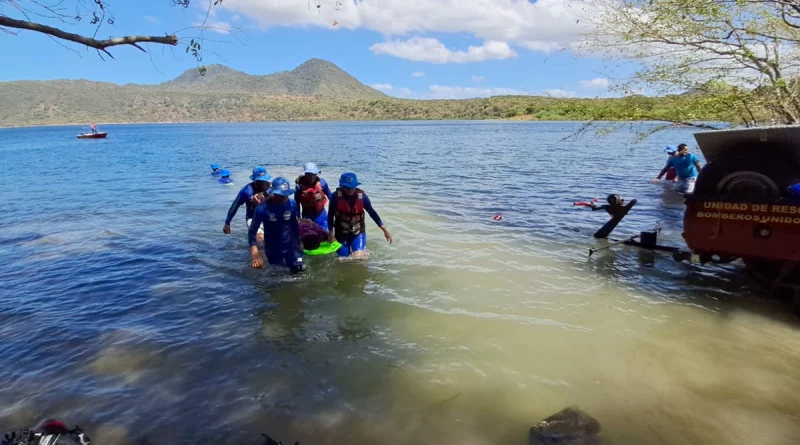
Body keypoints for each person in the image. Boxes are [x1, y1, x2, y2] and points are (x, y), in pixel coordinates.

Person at [328, 172, 392, 258]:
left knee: (359, 257)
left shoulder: (362, 197)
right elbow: (330, 216)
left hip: (358, 231)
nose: (350, 190)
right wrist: (331, 235)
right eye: (347, 187)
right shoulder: (335, 197)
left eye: (352, 187)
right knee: (342, 259)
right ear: (342, 186)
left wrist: (385, 230)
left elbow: (372, 213)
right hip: (341, 233)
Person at [249, 177, 304, 274]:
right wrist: (255, 253)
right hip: (272, 247)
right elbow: (252, 231)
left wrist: (299, 241)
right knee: (278, 274)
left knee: (299, 271)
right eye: (280, 195)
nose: (283, 198)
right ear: (273, 193)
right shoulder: (262, 208)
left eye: (286, 195)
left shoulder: (292, 204)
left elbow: (294, 224)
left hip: (290, 244)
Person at [223, 166, 271, 243]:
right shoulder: (246, 191)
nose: (262, 183)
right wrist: (227, 223)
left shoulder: (272, 189)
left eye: (264, 181)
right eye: (260, 181)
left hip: (270, 217)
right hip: (252, 217)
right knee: (260, 238)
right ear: (255, 180)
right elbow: (235, 206)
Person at [294, 162, 333, 230]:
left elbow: (331, 197)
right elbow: (296, 203)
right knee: (309, 236)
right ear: (305, 174)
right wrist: (299, 218)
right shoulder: (299, 187)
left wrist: (333, 213)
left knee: (324, 235)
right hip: (306, 215)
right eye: (309, 174)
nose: (311, 177)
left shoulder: (322, 183)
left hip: (321, 215)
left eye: (313, 174)